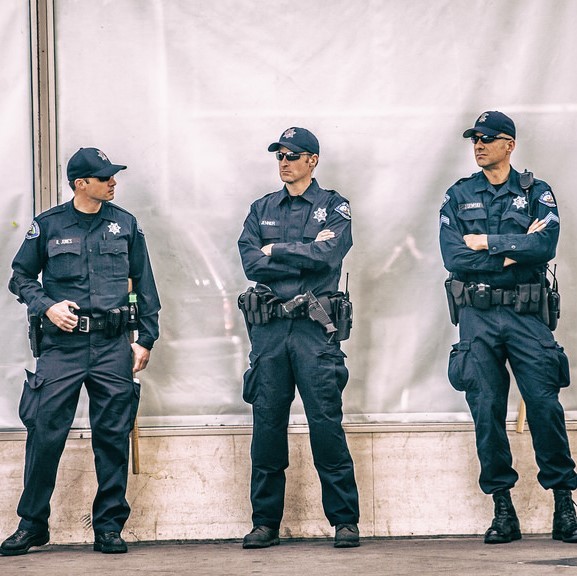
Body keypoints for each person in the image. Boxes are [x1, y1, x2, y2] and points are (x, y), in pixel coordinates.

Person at [0, 147, 161, 556]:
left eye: (113, 176)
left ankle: (108, 526)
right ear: (80, 184)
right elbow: (19, 278)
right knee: (45, 433)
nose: (113, 182)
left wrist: (145, 337)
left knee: (112, 437)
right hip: (62, 348)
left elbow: (145, 285)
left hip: (112, 346)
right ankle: (33, 524)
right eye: (105, 177)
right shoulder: (48, 226)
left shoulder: (125, 225)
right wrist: (47, 306)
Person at [439, 111, 577, 544]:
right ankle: (503, 510)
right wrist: (514, 254)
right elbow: (454, 258)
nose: (478, 145)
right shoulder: (458, 196)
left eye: (487, 138)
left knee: (543, 406)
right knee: (486, 412)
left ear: (510, 144)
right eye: (474, 139)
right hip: (477, 317)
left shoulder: (537, 192)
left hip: (525, 315)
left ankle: (564, 504)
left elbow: (546, 245)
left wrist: (487, 243)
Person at [237, 127, 360, 549]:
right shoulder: (261, 208)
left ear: (313, 160)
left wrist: (276, 251)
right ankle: (265, 522)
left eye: (292, 155)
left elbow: (328, 254)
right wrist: (295, 250)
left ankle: (344, 521)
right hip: (270, 331)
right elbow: (251, 262)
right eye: (279, 156)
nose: (284, 162)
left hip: (314, 329)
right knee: (267, 426)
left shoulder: (334, 207)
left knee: (325, 423)